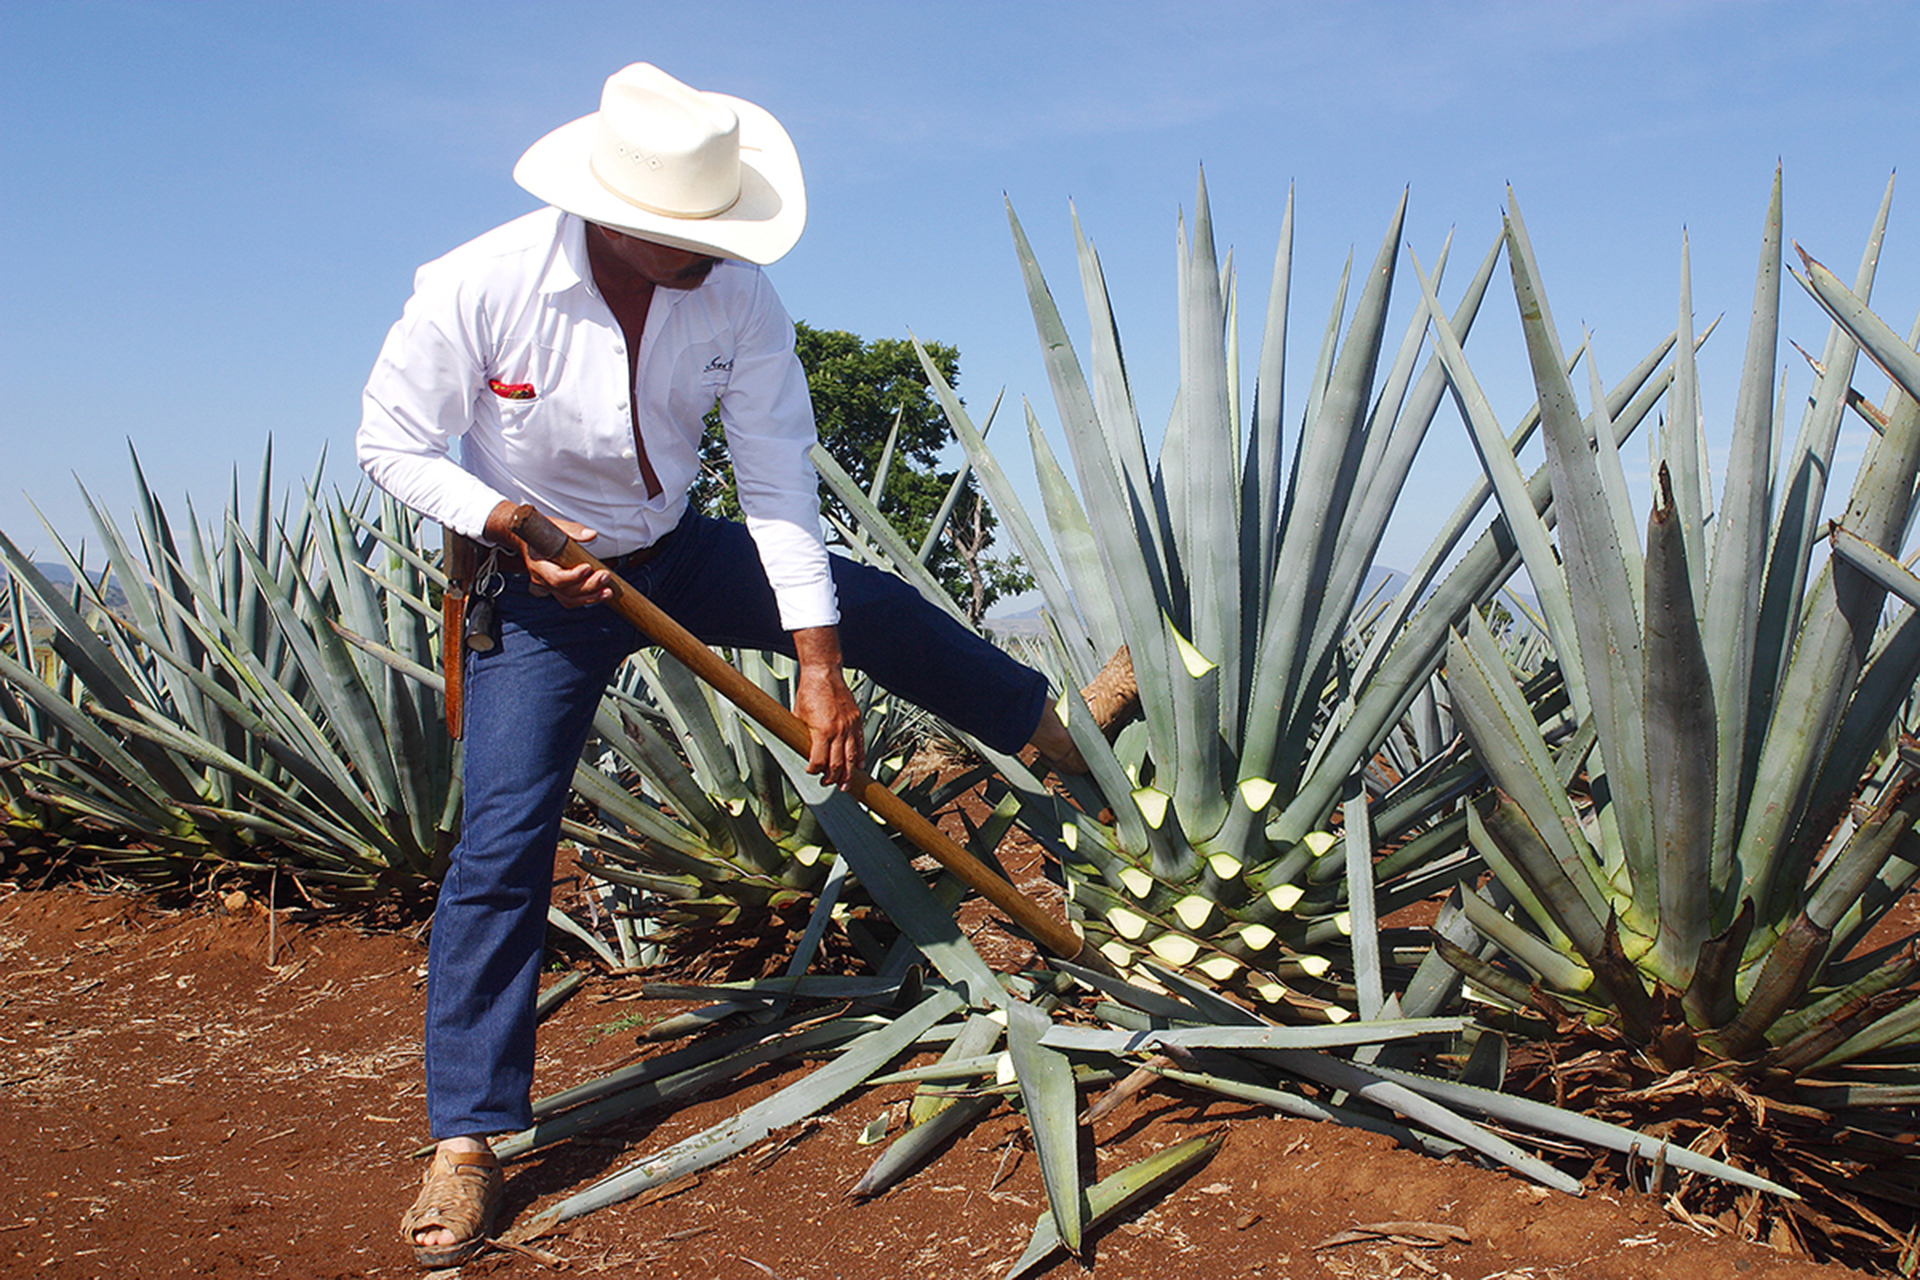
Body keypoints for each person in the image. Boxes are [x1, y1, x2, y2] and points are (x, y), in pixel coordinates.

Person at [356, 63, 1082, 1267]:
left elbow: (781, 481)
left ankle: (1054, 733)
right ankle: (470, 1140)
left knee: (874, 605)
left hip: (675, 555)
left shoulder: (736, 298)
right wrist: (512, 527)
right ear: (618, 214)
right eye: (693, 233)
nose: (717, 249)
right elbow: (390, 440)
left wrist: (819, 664)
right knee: (502, 841)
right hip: (538, 594)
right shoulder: (479, 285)